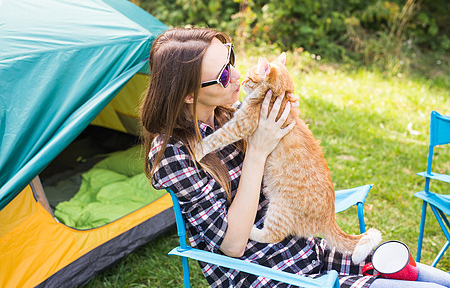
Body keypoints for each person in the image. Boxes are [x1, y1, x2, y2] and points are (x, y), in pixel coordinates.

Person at [140, 27, 450, 288]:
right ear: (189, 95)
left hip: (302, 247)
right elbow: (232, 245)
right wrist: (258, 151)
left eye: (230, 60)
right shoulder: (173, 154)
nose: (236, 76)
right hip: (263, 271)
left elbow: (289, 171)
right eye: (222, 76)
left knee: (422, 273)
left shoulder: (227, 115)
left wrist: (289, 124)